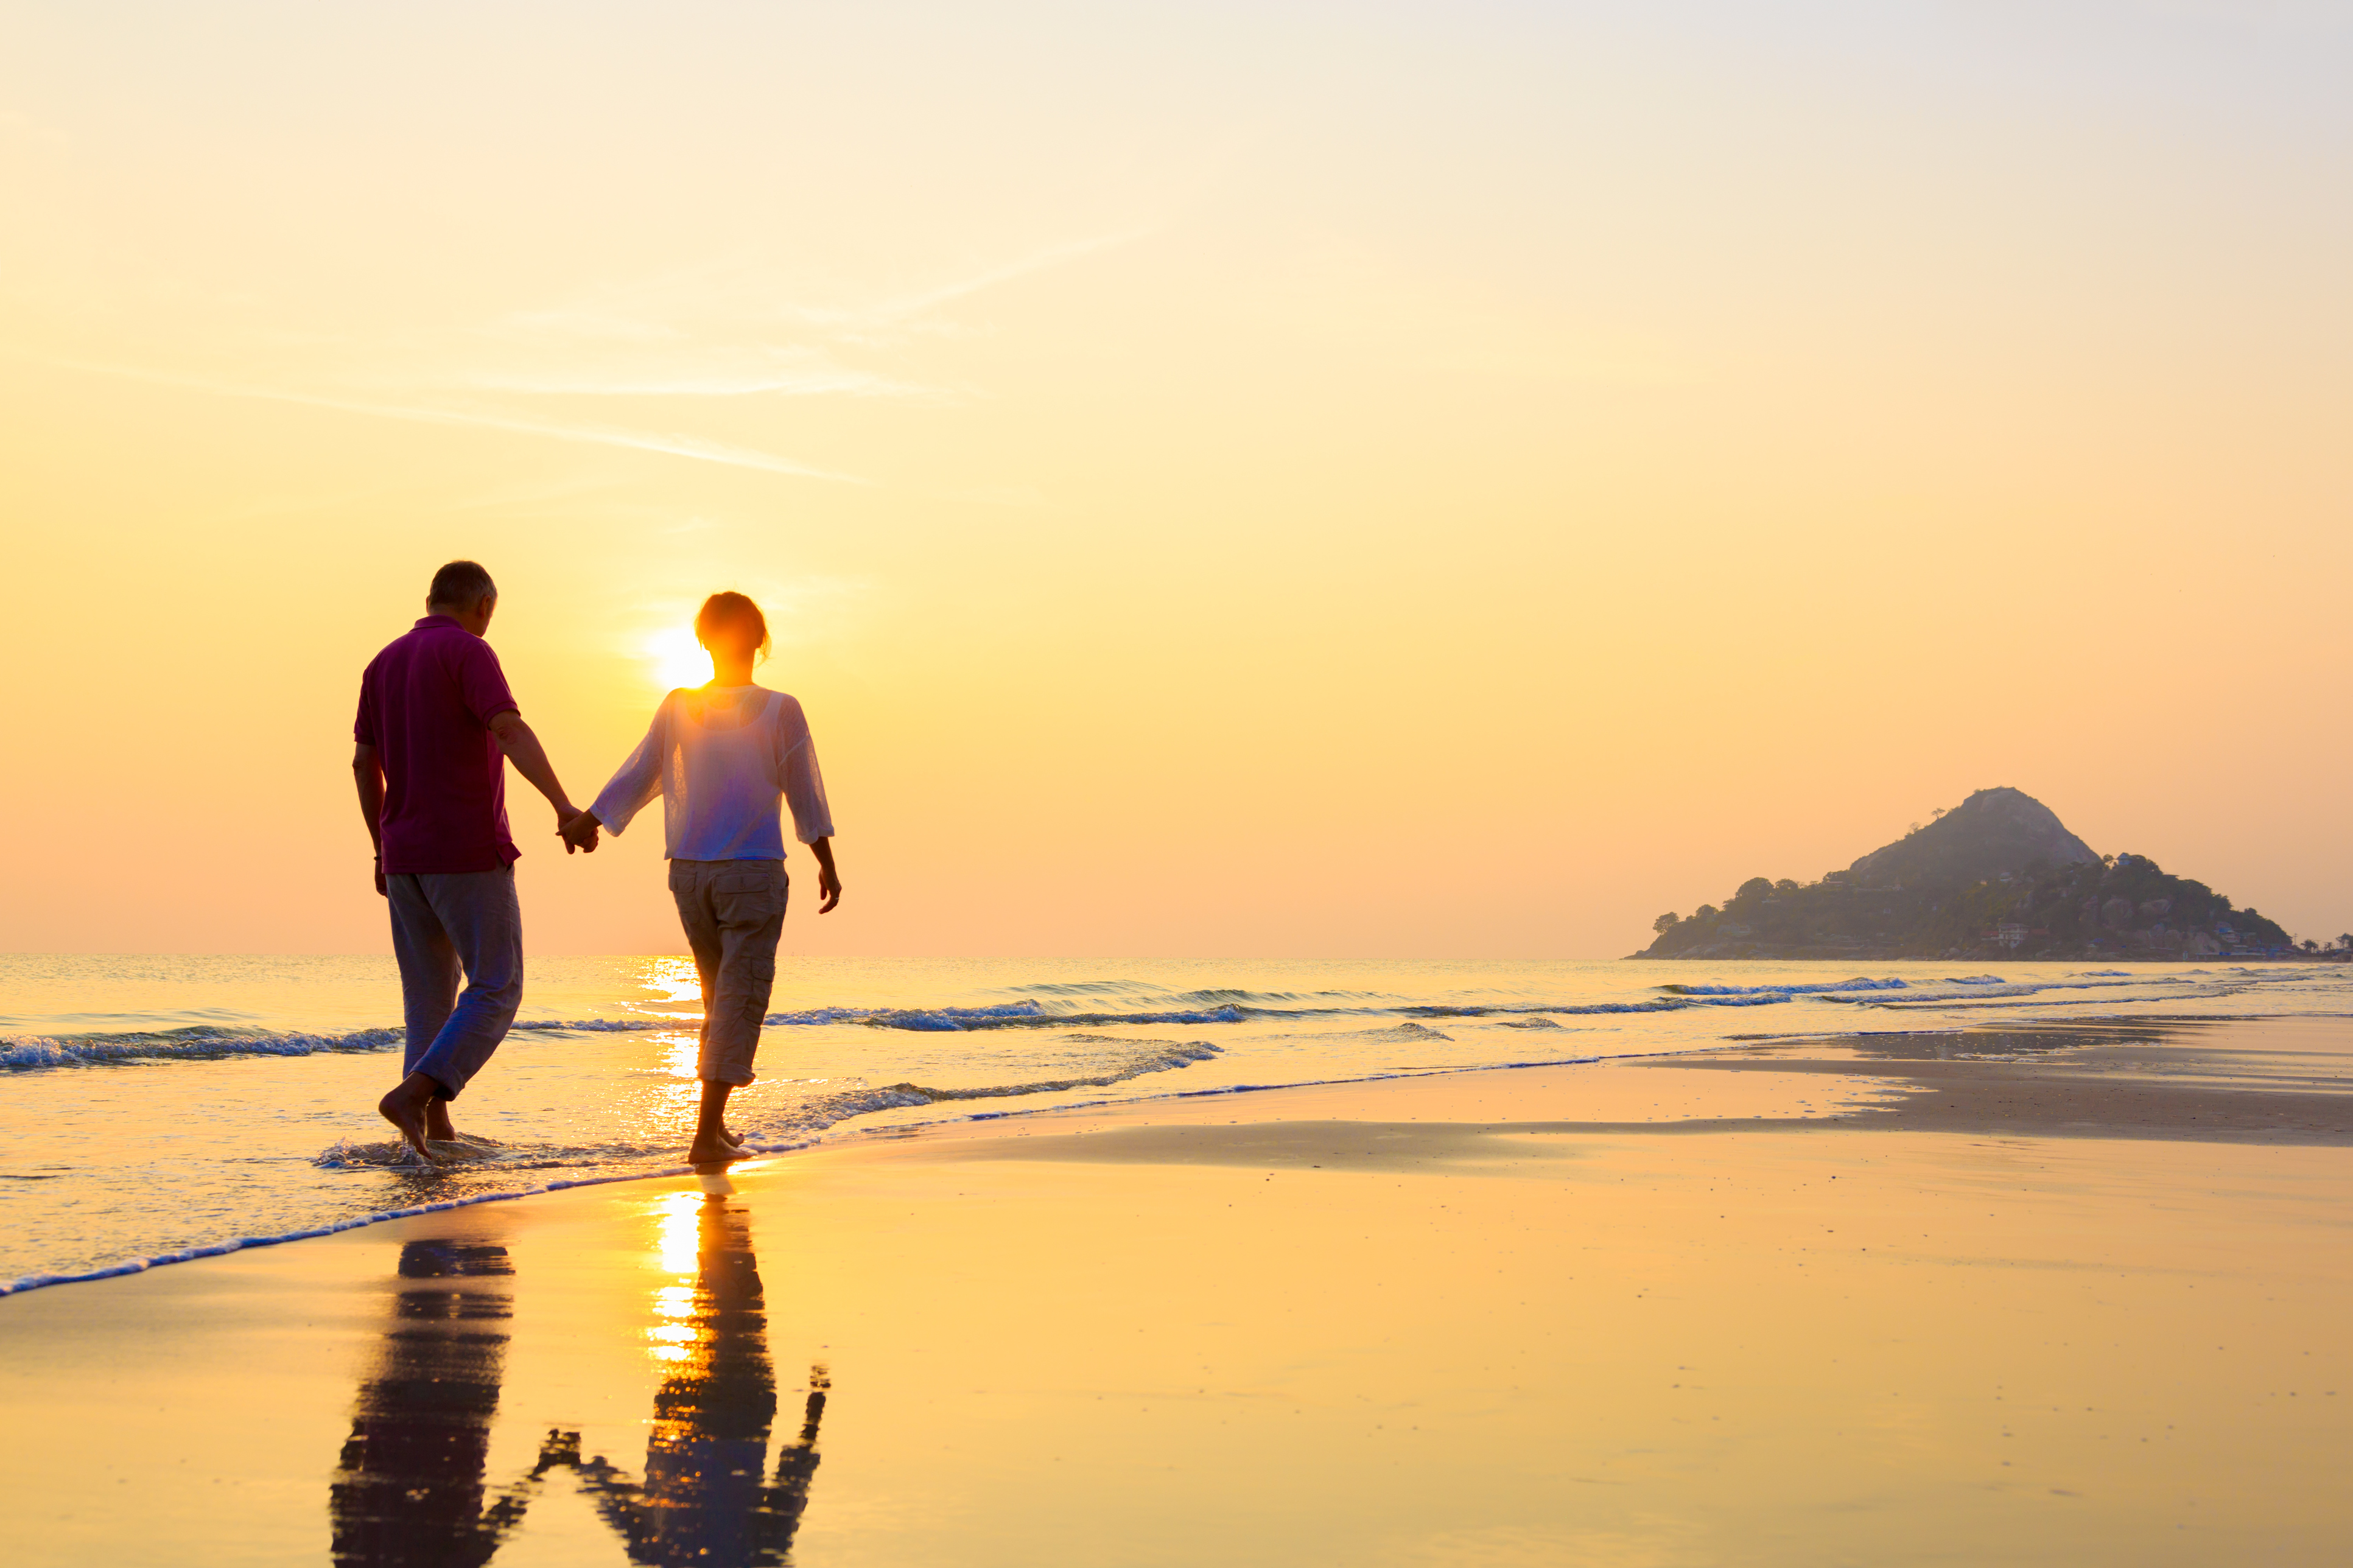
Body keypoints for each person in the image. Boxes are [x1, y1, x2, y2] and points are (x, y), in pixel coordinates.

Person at [566, 592, 840, 1166]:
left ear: (703, 640)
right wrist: (826, 862)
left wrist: (590, 821)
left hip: (689, 876)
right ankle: (704, 1135)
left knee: (719, 997)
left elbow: (639, 773)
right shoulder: (779, 708)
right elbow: (804, 791)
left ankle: (713, 1127)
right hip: (751, 873)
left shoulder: (678, 706)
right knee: (740, 1000)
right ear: (760, 642)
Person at [353, 560, 597, 1162]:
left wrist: (380, 847)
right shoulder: (469, 652)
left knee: (429, 1000)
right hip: (465, 848)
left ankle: (432, 1137)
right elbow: (508, 729)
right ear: (483, 605)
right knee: (497, 985)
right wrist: (563, 803)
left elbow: (364, 763)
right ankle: (412, 1096)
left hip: (404, 857)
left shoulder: (381, 663)